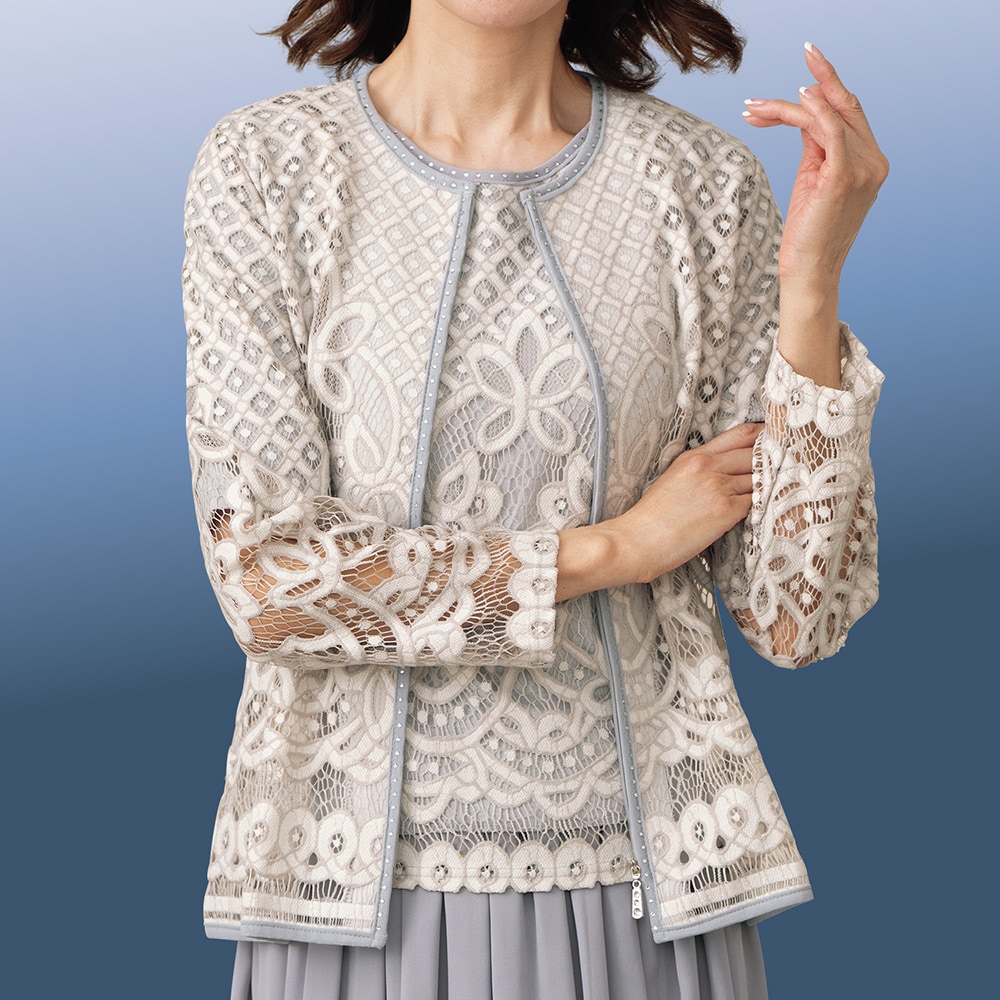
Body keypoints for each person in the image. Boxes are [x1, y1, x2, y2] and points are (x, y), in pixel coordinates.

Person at [182, 1, 888, 998]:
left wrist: (811, 286)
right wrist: (615, 550)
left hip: (648, 889)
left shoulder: (701, 184)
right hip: (349, 899)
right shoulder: (266, 167)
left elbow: (792, 618)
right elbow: (267, 581)